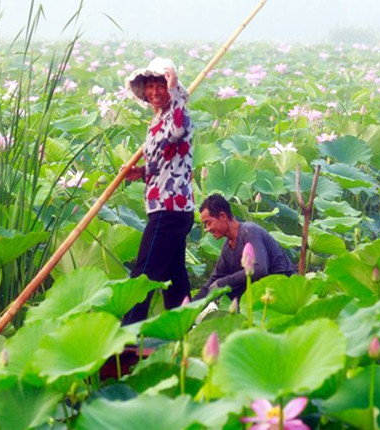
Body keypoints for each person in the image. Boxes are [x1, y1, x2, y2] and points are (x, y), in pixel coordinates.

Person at [121, 57, 195, 324]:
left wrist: (174, 87)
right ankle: (182, 329)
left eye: (160, 85)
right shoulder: (157, 120)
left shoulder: (179, 112)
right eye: (149, 86)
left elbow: (177, 131)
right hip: (165, 206)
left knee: (144, 274)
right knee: (175, 277)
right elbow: (163, 161)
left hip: (170, 208)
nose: (154, 92)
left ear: (170, 85)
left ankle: (125, 339)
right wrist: (140, 172)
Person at [196, 194, 296, 300]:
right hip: (261, 293)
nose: (207, 229)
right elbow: (214, 281)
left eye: (208, 223)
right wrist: (188, 308)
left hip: (282, 289)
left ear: (223, 216)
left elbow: (259, 269)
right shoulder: (227, 248)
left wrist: (223, 282)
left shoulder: (250, 231)